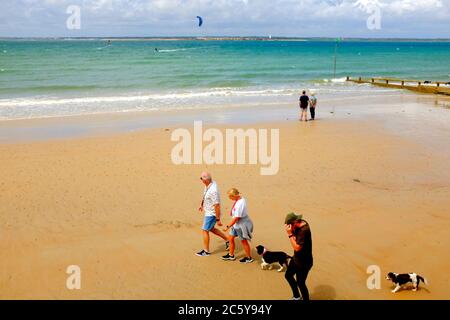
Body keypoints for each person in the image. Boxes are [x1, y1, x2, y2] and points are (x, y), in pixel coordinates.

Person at [196, 172, 229, 257]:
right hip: (208, 211)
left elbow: (217, 205)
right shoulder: (209, 184)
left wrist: (218, 219)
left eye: (202, 179)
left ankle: (206, 251)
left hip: (212, 214)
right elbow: (205, 194)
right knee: (211, 229)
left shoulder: (213, 190)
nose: (201, 180)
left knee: (205, 230)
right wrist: (202, 204)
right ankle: (227, 240)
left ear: (206, 180)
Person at [284, 212, 313, 300]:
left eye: (289, 225)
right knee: (288, 275)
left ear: (295, 223)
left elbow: (297, 247)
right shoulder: (300, 222)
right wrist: (291, 229)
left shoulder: (304, 231)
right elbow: (295, 237)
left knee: (301, 283)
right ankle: (296, 296)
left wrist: (289, 234)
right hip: (296, 259)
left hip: (304, 262)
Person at [221, 188, 254, 263]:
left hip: (240, 225)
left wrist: (227, 226)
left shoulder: (240, 204)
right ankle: (231, 255)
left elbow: (236, 218)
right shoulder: (240, 199)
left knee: (243, 241)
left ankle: (249, 258)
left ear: (235, 195)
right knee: (231, 238)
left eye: (230, 196)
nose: (229, 198)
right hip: (235, 224)